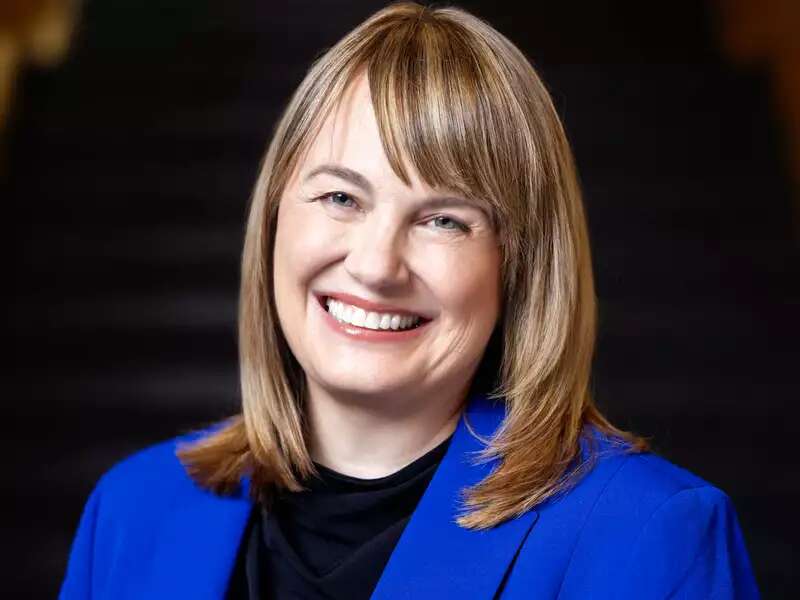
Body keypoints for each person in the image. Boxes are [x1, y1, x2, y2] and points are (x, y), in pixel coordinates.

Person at [58, 2, 760, 599]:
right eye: (340, 197)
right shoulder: (132, 511)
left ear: (518, 264)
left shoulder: (650, 535)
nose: (374, 264)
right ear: (274, 219)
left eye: (444, 219)